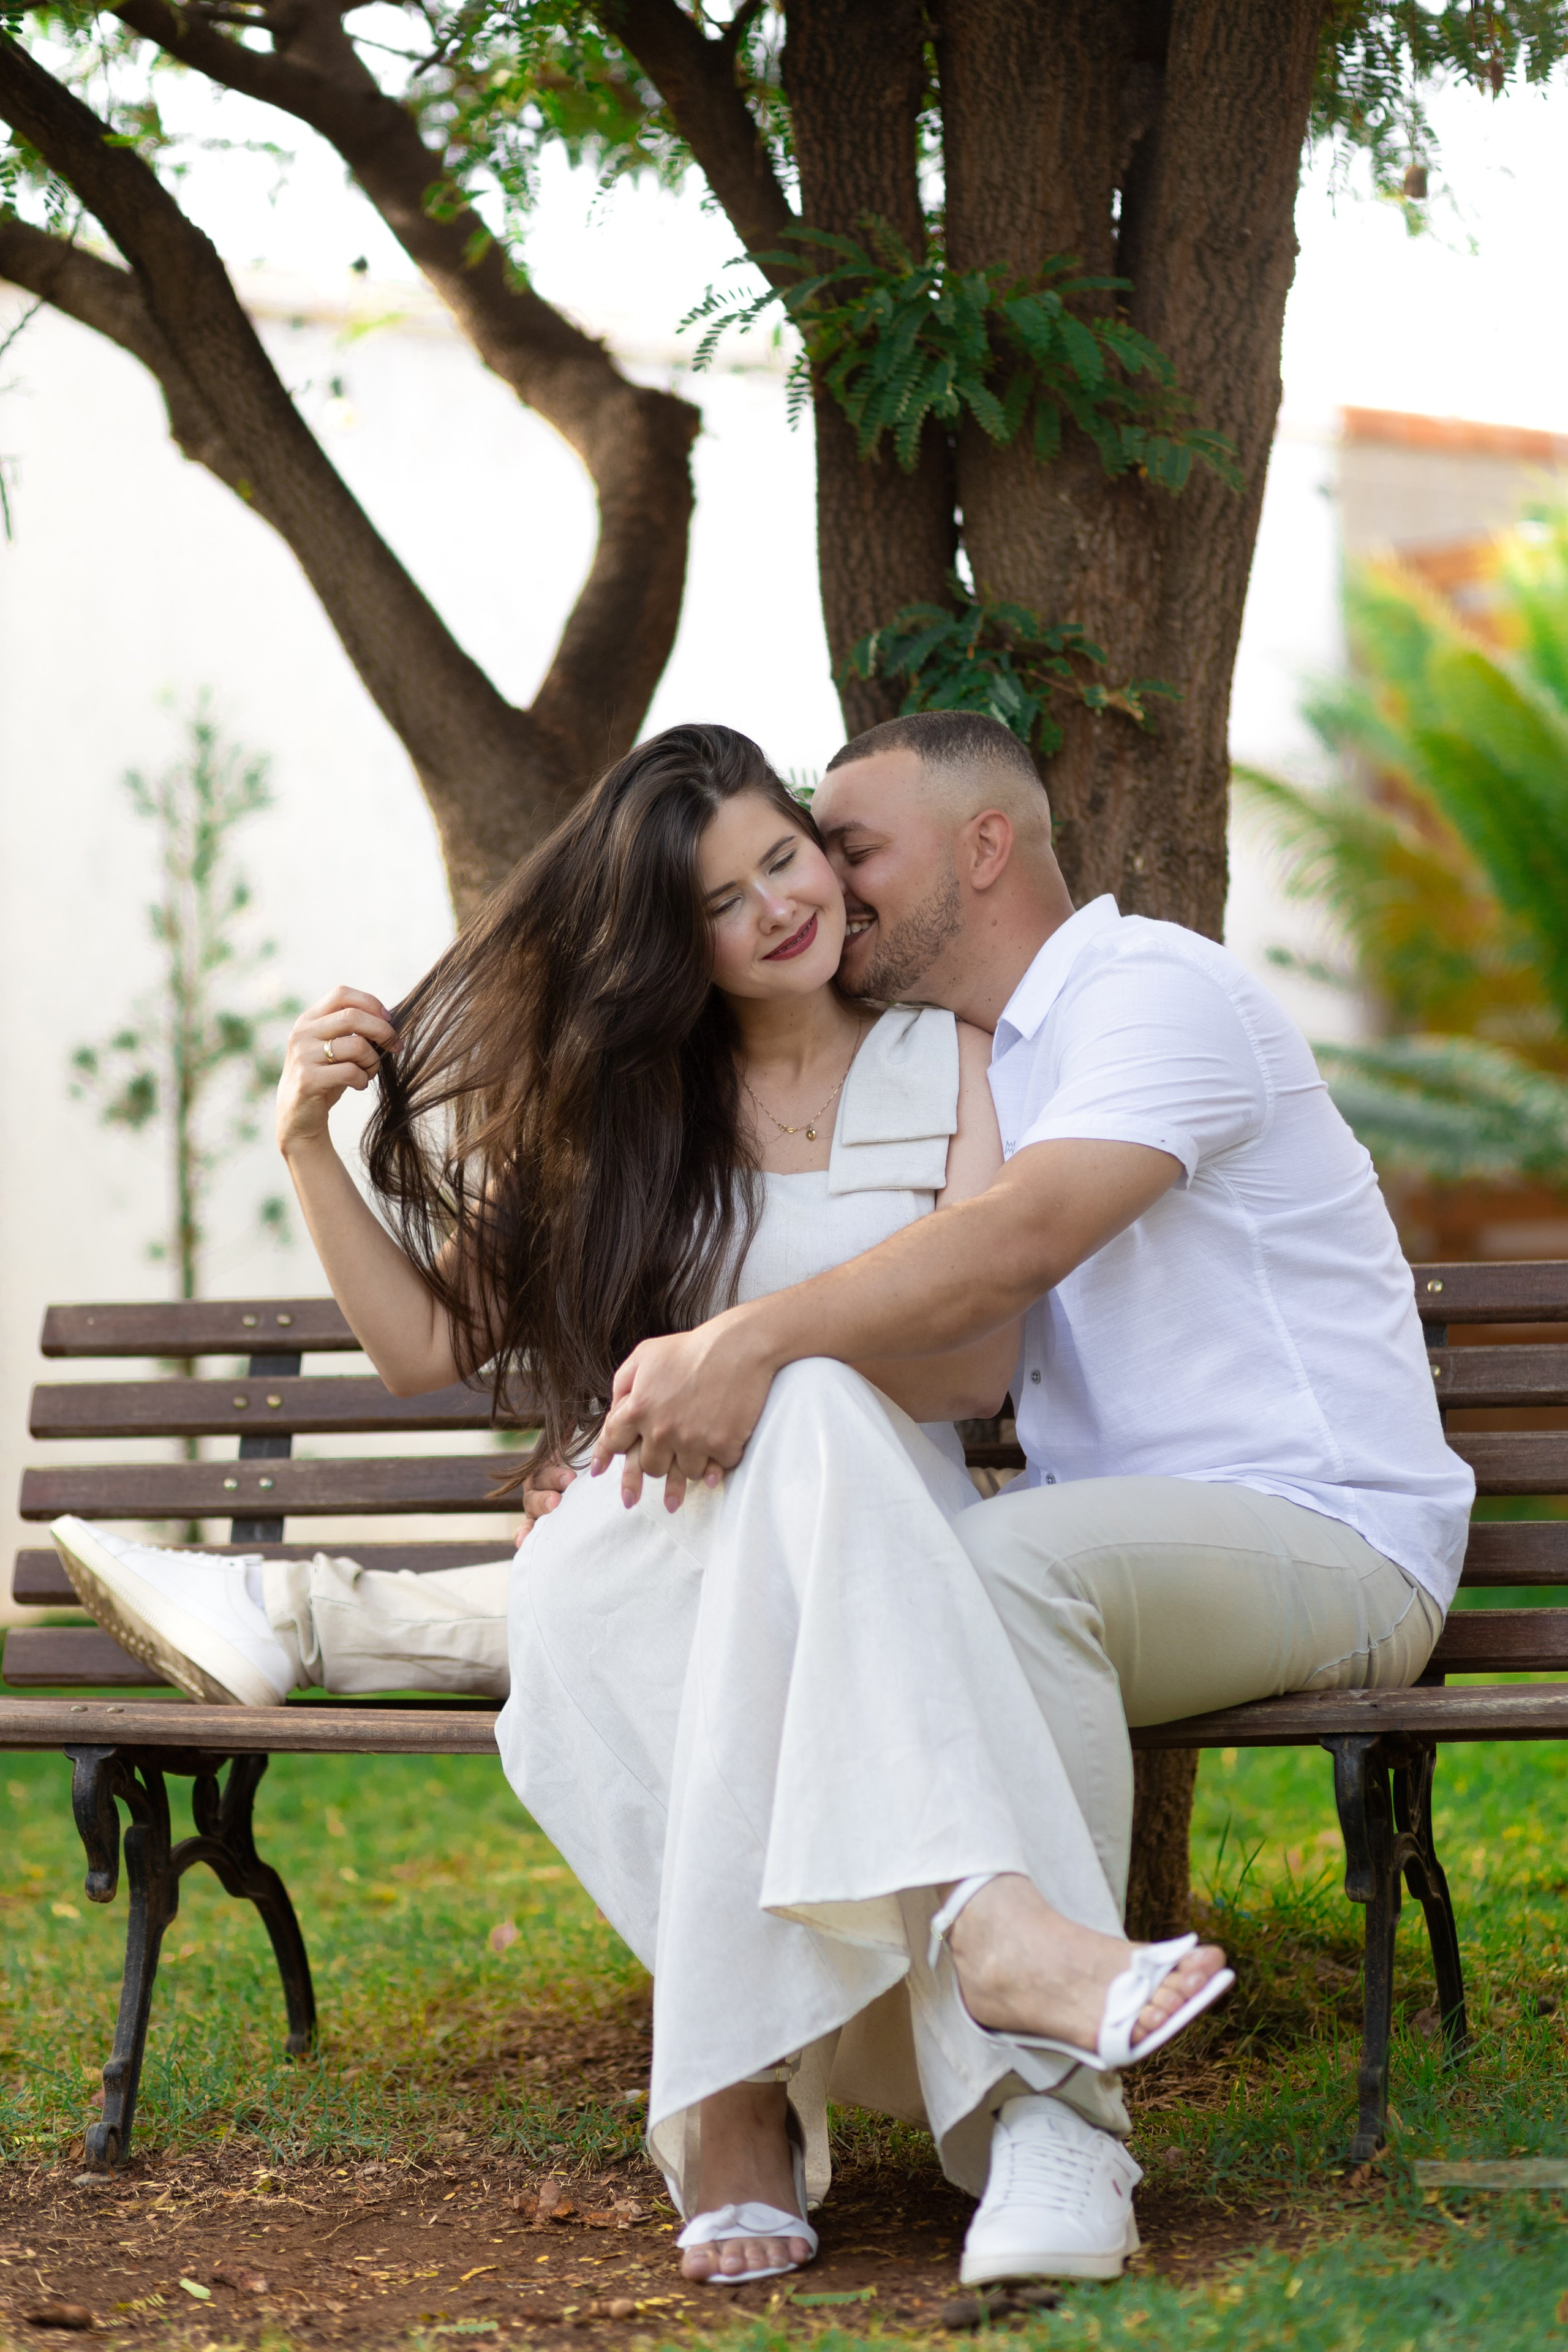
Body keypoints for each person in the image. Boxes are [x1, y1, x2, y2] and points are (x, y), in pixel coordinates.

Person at [50, 723, 1226, 2290]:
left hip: (877, 1539)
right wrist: (301, 1139)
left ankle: (729, 2097)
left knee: (807, 1404)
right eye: (720, 902)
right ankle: (982, 1940)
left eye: (783, 859)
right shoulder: (633, 1119)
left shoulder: (942, 1060)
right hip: (648, 1546)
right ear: (678, 948)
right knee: (649, 1557)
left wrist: (758, 1359)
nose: (773, 909)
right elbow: (418, 1348)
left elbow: (967, 1367)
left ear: (816, 849)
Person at [519, 707, 1474, 2288]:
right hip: (1144, 1543)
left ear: (982, 848)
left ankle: (1057, 2127)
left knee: (994, 1565)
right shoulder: (1004, 1056)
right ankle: (873, 2010)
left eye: (852, 844)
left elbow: (1019, 1248)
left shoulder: (1147, 993)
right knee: (718, 1566)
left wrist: (745, 1345)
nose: (828, 877)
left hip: (1331, 1534)